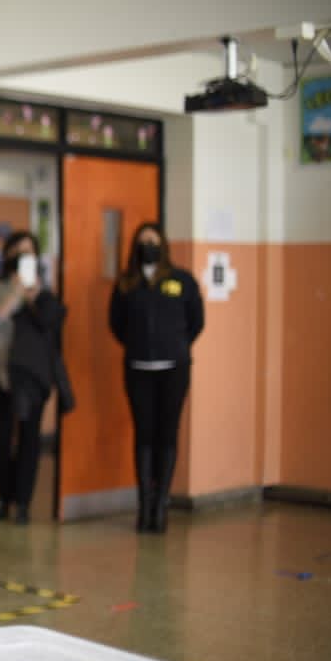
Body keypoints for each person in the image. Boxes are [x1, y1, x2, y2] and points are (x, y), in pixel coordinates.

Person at [108, 222, 204, 533]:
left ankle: (161, 505)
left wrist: (173, 346)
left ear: (162, 245)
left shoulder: (181, 280)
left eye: (153, 240)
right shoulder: (126, 283)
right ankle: (144, 506)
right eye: (142, 241)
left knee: (167, 435)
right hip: (138, 369)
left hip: (174, 369)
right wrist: (139, 346)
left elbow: (196, 322)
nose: (148, 245)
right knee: (144, 436)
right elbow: (116, 324)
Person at [0, 230, 66, 524]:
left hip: (31, 375)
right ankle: (4, 498)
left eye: (28, 252)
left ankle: (23, 503)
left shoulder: (43, 290)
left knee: (29, 439)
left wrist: (34, 294)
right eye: (16, 251)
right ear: (6, 255)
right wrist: (17, 293)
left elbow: (50, 323)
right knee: (2, 440)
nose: (22, 256)